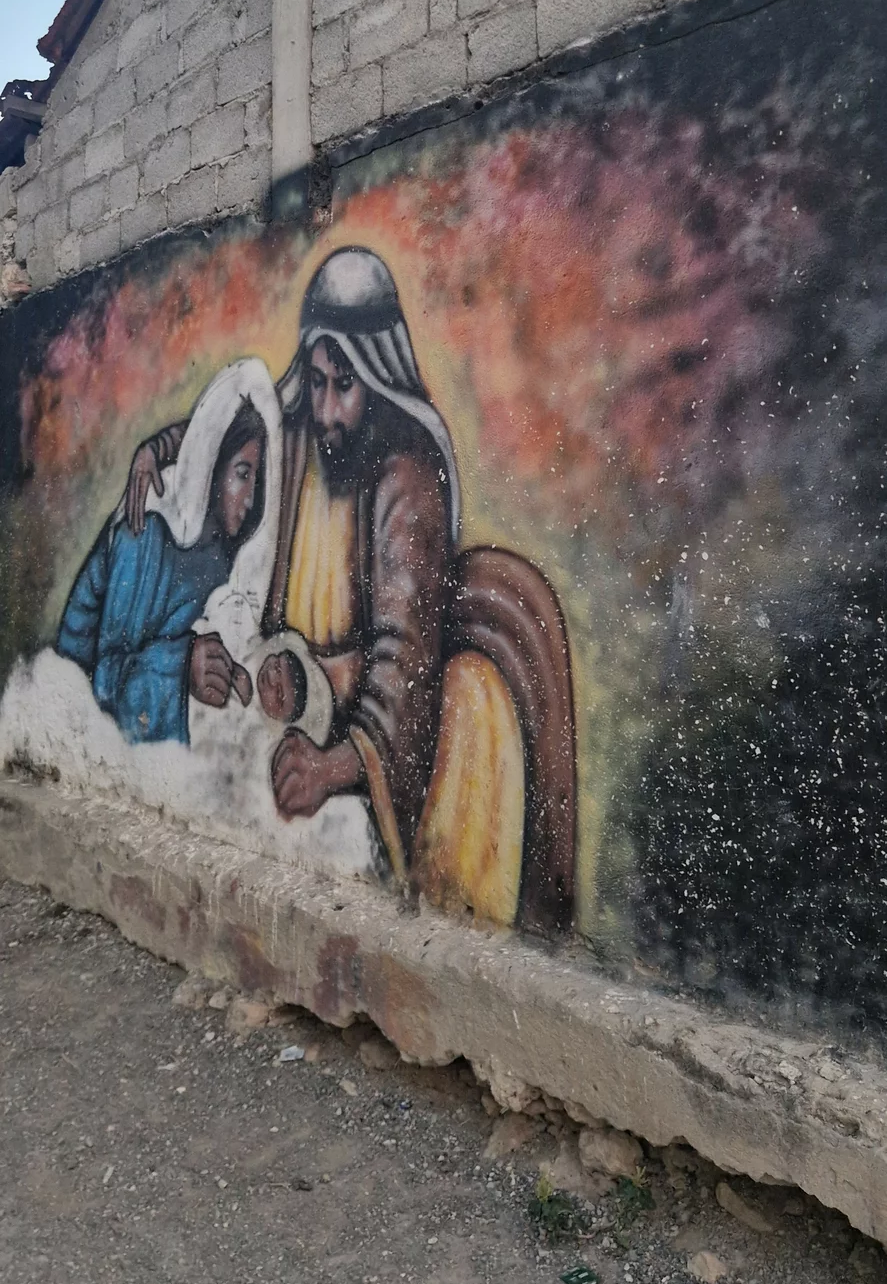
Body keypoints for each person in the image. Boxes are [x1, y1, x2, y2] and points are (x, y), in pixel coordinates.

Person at [125, 248, 576, 930]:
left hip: (364, 742)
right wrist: (155, 452)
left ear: (377, 376)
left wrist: (334, 765)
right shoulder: (297, 437)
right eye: (316, 382)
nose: (327, 407)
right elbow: (223, 431)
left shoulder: (406, 476)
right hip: (279, 705)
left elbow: (403, 659)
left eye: (345, 385)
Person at [58, 360, 278, 744]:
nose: (250, 498)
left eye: (258, 481)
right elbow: (106, 680)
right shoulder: (146, 530)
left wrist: (229, 671)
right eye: (243, 474)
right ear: (212, 464)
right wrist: (183, 666)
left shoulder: (225, 550)